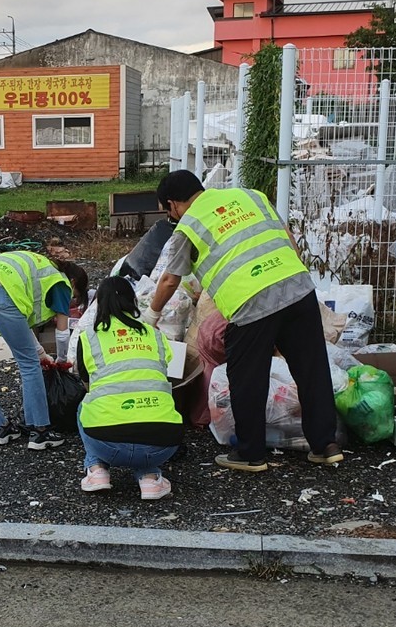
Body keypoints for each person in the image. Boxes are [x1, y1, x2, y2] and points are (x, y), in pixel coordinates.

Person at [149, 170, 341, 472]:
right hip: (297, 289)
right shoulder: (250, 195)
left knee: (247, 378)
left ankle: (251, 454)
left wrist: (152, 315)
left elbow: (171, 279)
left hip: (250, 303)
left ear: (172, 204)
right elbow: (289, 240)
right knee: (312, 369)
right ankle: (325, 445)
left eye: (167, 211)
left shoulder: (188, 226)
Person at [0, 250, 88, 450]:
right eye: (76, 297)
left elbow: (22, 327)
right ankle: (40, 432)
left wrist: (42, 354)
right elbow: (63, 333)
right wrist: (62, 360)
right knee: (29, 364)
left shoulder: (39, 268)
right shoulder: (61, 282)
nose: (71, 301)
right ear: (74, 283)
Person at [75, 277, 183, 500]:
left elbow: (88, 384)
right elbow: (164, 372)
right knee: (152, 412)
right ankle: (150, 478)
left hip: (107, 444)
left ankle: (97, 471)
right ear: (133, 301)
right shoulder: (155, 334)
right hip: (162, 445)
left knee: (85, 406)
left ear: (99, 303)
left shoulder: (89, 338)